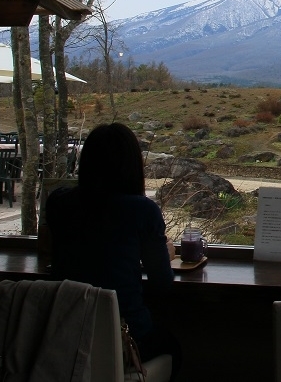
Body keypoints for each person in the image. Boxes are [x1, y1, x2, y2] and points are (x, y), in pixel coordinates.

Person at [46, 122, 182, 377]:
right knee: (173, 347)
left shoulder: (59, 202)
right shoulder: (142, 210)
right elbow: (162, 283)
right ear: (132, 166)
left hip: (65, 332)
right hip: (124, 334)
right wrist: (167, 254)